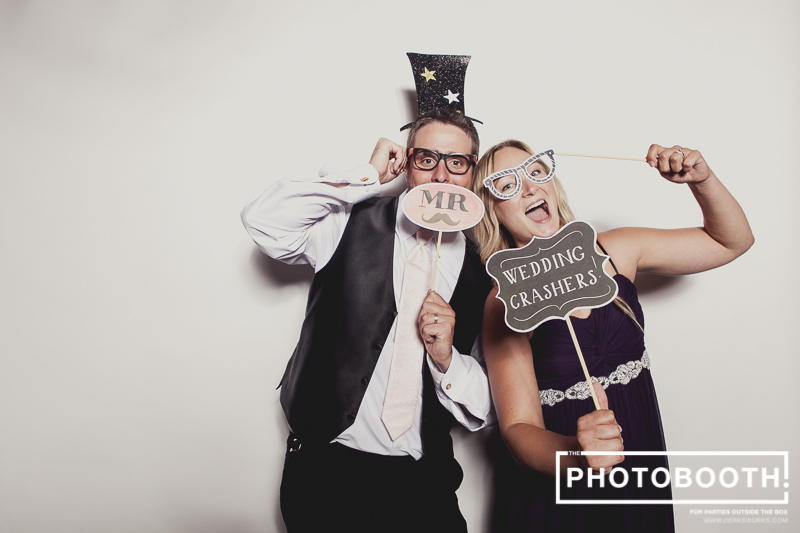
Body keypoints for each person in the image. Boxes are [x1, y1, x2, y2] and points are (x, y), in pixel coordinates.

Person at [471, 140, 754, 532]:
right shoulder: (504, 302)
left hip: (638, 451)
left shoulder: (614, 249)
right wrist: (577, 453)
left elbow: (731, 242)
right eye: (507, 184)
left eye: (536, 172)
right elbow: (518, 430)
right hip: (560, 483)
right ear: (494, 212)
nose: (530, 187)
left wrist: (701, 181)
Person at [240, 108, 493, 533]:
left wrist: (447, 360)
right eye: (426, 159)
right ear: (407, 164)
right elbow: (263, 222)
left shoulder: (484, 271)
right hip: (326, 470)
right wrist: (366, 177)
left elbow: (486, 408)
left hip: (423, 481)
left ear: (471, 172)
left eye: (457, 162)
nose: (441, 176)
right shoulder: (347, 220)